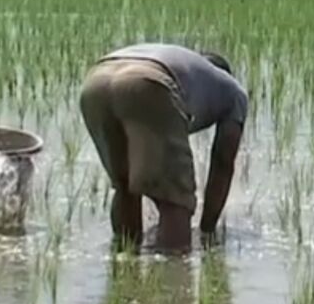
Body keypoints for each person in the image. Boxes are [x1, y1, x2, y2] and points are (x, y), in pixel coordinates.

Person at [79, 43, 248, 251]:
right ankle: (169, 276)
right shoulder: (233, 91)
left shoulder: (187, 68)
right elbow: (223, 160)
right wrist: (207, 230)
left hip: (96, 81)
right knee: (175, 202)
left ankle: (124, 265)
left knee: (125, 188)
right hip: (149, 79)